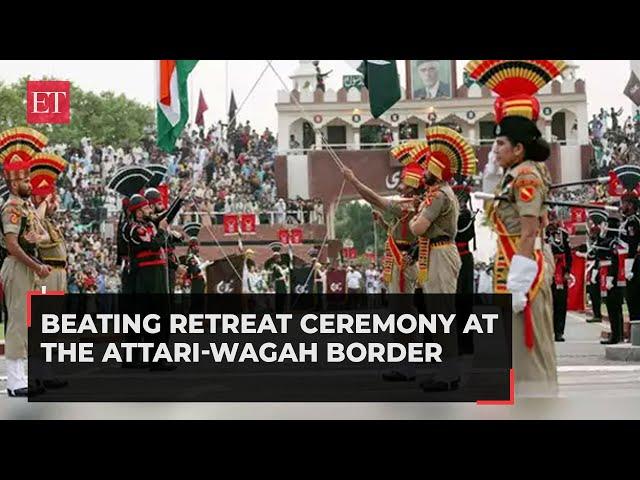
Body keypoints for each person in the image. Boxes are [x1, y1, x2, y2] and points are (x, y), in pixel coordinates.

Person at [467, 59, 567, 396]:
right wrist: (494, 173)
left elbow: (527, 231)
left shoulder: (526, 175)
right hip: (511, 260)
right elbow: (493, 208)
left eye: (500, 144)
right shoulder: (515, 172)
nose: (494, 150)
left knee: (530, 348)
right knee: (515, 350)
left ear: (519, 147)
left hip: (524, 262)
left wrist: (520, 283)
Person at [408, 126, 477, 392]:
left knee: (442, 314)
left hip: (440, 251)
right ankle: (446, 371)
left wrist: (415, 218)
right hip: (436, 252)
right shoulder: (439, 193)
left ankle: (449, 374)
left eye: (427, 166)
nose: (422, 171)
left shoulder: (438, 195)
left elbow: (418, 228)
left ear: (435, 171)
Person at [0, 127, 52, 397]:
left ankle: (26, 375)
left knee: (31, 321)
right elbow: (12, 244)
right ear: (13, 182)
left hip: (28, 266)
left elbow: (38, 235)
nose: (31, 184)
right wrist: (35, 265)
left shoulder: (27, 207)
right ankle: (14, 381)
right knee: (19, 320)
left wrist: (37, 239)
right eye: (25, 180)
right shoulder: (11, 207)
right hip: (18, 266)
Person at [545, 210, 573, 342]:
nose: (551, 222)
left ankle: (559, 332)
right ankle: (545, 332)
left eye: (553, 219)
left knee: (560, 303)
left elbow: (568, 254)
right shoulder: (541, 234)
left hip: (560, 272)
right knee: (545, 303)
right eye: (549, 219)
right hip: (545, 271)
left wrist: (567, 271)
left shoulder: (563, 234)